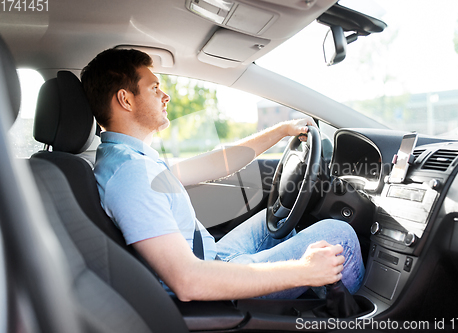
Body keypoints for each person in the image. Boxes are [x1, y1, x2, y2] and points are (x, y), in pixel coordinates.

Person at [81, 48, 365, 301]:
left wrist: (281, 131)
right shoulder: (130, 175)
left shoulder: (131, 157)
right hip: (213, 283)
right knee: (339, 235)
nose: (165, 96)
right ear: (125, 100)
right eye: (154, 88)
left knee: (277, 217)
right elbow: (188, 281)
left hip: (214, 256)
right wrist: (304, 271)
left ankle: (316, 293)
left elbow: (221, 162)